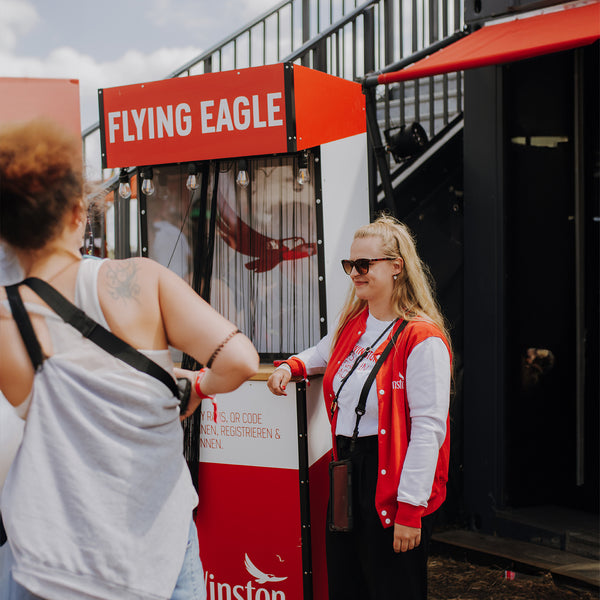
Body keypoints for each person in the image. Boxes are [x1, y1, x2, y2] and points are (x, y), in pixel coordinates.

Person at [0, 118, 259, 600]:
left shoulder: (6, 321)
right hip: (159, 551)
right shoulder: (138, 280)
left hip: (52, 563)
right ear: (78, 212)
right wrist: (194, 387)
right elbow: (239, 361)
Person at [268, 215, 452, 600]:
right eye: (350, 264)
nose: (355, 273)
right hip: (347, 471)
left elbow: (428, 431)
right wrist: (290, 367)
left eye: (364, 264)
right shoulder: (354, 323)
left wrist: (409, 510)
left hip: (390, 479)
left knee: (392, 587)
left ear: (396, 267)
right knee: (347, 583)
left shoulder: (422, 338)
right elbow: (320, 354)